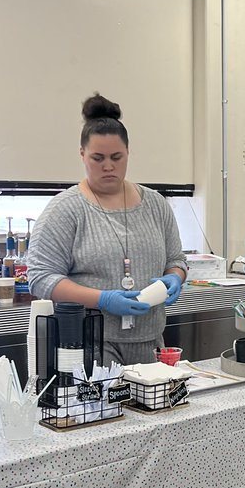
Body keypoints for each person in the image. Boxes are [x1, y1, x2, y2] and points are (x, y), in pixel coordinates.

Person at [28, 93, 188, 365]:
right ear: (82, 155)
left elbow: (176, 260)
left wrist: (175, 277)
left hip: (150, 342)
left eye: (117, 157)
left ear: (128, 153)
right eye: (98, 158)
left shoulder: (156, 205)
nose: (108, 166)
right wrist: (102, 299)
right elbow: (40, 277)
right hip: (89, 344)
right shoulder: (66, 209)